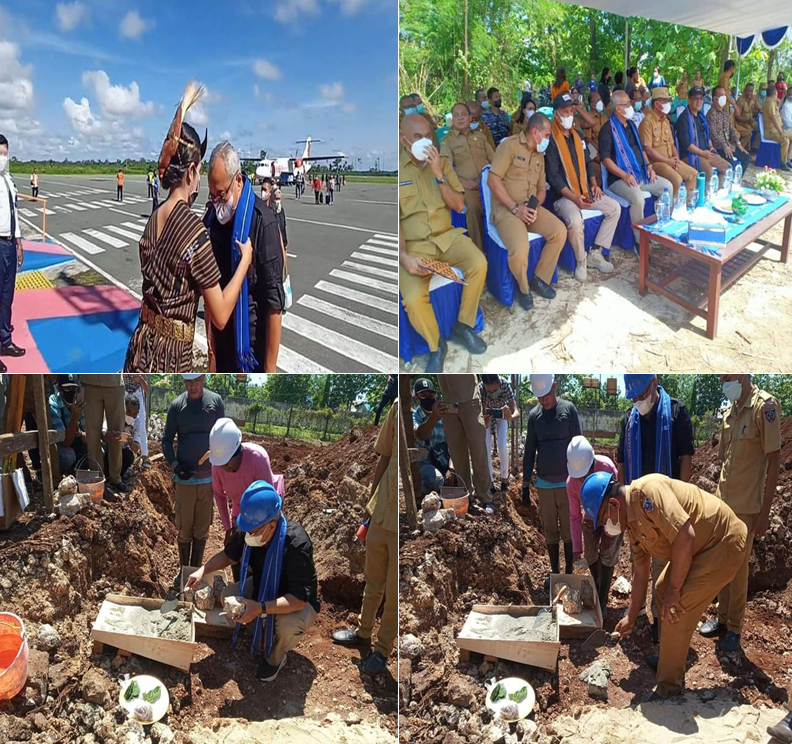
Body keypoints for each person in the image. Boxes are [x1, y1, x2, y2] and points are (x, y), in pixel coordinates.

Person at [581, 471, 747, 699]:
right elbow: (641, 573)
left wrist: (676, 590)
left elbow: (685, 536)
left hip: (721, 542)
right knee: (661, 589)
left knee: (677, 608)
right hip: (698, 548)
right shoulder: (631, 523)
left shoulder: (649, 492)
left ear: (613, 504)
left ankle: (669, 689)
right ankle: (671, 655)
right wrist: (630, 616)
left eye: (603, 520)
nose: (606, 527)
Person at [123, 83, 253, 372]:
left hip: (141, 346)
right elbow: (219, 314)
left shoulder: (155, 216)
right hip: (168, 357)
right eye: (200, 171)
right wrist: (245, 260)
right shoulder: (194, 231)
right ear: (192, 171)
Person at [187, 480, 320, 682]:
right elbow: (229, 556)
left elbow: (299, 599)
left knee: (286, 626)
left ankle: (275, 658)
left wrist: (260, 608)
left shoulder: (296, 545)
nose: (248, 535)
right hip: (262, 586)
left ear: (272, 525)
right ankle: (260, 632)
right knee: (227, 596)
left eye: (253, 531)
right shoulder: (252, 527)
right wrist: (202, 570)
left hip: (295, 601)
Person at [398, 114, 488, 372]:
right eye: (418, 137)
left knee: (478, 263)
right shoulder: (397, 170)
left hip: (447, 237)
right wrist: (404, 257)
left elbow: (459, 205)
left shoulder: (443, 164)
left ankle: (463, 325)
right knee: (414, 298)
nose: (426, 141)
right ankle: (436, 344)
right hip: (415, 246)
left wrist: (439, 175)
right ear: (403, 140)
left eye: (429, 135)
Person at [698, 375, 780, 652]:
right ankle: (721, 619)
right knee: (721, 562)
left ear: (743, 375)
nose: (723, 383)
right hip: (723, 507)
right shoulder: (729, 412)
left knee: (738, 568)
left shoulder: (764, 407)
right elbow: (723, 462)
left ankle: (734, 627)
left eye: (727, 378)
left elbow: (774, 459)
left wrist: (765, 512)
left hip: (746, 508)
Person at [617, 373, 695, 645]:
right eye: (634, 398)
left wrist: (682, 499)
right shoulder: (629, 422)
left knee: (664, 568)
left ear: (654, 382)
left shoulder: (675, 413)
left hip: (667, 508)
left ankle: (662, 620)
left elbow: (686, 457)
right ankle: (637, 610)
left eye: (641, 395)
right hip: (638, 511)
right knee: (640, 564)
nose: (638, 402)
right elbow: (622, 464)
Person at [331, 398, 398, 675]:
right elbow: (384, 455)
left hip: (403, 523)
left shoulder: (432, 414)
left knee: (394, 595)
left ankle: (382, 651)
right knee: (373, 582)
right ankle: (363, 632)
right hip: (382, 511)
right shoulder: (397, 406)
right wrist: (370, 505)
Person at [206, 142, 284, 374]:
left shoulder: (263, 222)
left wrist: (270, 371)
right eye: (212, 197)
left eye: (222, 195)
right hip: (221, 347)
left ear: (238, 181)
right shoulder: (212, 221)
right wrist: (211, 349)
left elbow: (274, 305)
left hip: (250, 353)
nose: (218, 204)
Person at [488, 112, 566, 310]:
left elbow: (541, 189)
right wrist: (516, 209)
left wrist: (534, 207)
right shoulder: (509, 146)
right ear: (535, 132)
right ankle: (523, 289)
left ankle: (539, 279)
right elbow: (493, 180)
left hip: (529, 207)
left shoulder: (540, 155)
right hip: (507, 209)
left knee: (559, 231)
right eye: (547, 135)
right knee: (520, 249)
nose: (548, 139)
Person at [545, 92, 620, 282]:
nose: (569, 114)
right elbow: (553, 177)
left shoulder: (578, 136)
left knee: (614, 208)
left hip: (584, 192)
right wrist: (573, 197)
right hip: (563, 197)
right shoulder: (550, 140)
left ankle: (596, 252)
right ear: (556, 114)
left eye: (571, 110)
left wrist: (594, 185)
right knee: (575, 221)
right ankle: (581, 260)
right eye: (565, 111)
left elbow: (588, 163)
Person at [163, 374, 225, 574]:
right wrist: (175, 466)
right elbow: (166, 441)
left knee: (201, 528)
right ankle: (184, 572)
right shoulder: (177, 406)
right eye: (188, 382)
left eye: (196, 380)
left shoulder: (215, 402)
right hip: (184, 481)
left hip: (208, 481)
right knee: (184, 528)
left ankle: (195, 572)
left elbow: (223, 435)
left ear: (204, 377)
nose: (192, 386)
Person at [523, 374, 581, 585]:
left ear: (554, 387)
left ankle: (568, 571)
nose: (543, 401)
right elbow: (529, 451)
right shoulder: (534, 416)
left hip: (567, 483)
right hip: (545, 484)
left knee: (568, 529)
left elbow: (578, 444)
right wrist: (525, 484)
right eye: (539, 397)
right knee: (551, 530)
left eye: (546, 395)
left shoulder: (568, 410)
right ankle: (555, 571)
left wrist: (580, 479)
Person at [599, 90, 673, 245]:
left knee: (667, 187)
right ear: (618, 108)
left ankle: (661, 229)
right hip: (620, 179)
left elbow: (640, 150)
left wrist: (649, 166)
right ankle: (641, 242)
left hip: (641, 174)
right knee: (638, 198)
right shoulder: (607, 129)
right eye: (627, 104)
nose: (631, 106)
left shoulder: (631, 125)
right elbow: (605, 160)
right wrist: (624, 175)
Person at [209, 417, 276, 581]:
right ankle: (240, 588)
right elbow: (219, 495)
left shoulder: (257, 459)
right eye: (221, 463)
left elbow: (268, 502)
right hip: (240, 511)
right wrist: (228, 528)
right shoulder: (217, 467)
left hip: (264, 512)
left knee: (260, 551)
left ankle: (259, 591)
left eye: (227, 462)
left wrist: (259, 531)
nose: (224, 467)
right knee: (236, 551)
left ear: (237, 450)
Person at [566, 435, 621, 612]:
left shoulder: (607, 467)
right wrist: (576, 549)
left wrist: (609, 533)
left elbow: (617, 504)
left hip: (611, 515)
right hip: (590, 518)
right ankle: (596, 588)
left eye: (585, 475)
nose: (582, 480)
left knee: (608, 554)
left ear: (592, 463)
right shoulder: (571, 483)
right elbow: (574, 516)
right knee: (590, 555)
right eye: (579, 477)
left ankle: (602, 598)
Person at [440, 102, 495, 253]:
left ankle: (498, 246)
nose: (460, 118)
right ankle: (479, 251)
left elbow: (494, 159)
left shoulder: (481, 137)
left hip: (488, 184)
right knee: (473, 208)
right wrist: (464, 182)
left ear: (470, 117)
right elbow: (446, 168)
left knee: (502, 203)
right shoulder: (448, 141)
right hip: (466, 188)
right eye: (456, 115)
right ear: (452, 119)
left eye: (463, 114)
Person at [438, 374, 493, 514]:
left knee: (478, 450)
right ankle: (467, 496)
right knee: (458, 454)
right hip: (448, 402)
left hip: (469, 399)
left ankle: (485, 497)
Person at [639, 87, 697, 205]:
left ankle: (685, 206)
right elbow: (648, 150)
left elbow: (671, 144)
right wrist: (668, 161)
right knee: (677, 179)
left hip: (670, 160)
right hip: (656, 164)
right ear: (657, 104)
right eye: (665, 101)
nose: (669, 104)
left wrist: (676, 159)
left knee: (693, 174)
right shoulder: (647, 122)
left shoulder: (665, 121)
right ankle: (673, 212)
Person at [0, 134, 24, 369]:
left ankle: (5, 340)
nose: (3, 158)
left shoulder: (9, 180)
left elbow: (14, 213)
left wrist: (18, 242)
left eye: (5, 153)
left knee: (7, 298)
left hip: (8, 244)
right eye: (0, 153)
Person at [81, 374, 126, 496]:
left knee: (117, 435)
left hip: (114, 383)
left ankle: (115, 478)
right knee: (92, 436)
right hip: (90, 383)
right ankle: (98, 478)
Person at [479, 374, 518, 493]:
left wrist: (510, 417)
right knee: (486, 447)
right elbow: (478, 411)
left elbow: (516, 411)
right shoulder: (480, 389)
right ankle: (490, 483)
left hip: (502, 416)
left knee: (502, 445)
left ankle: (504, 479)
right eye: (489, 390)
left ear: (499, 383)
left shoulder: (505, 385)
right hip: (487, 416)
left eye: (495, 390)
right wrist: (483, 420)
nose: (492, 393)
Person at [412, 377, 449, 496]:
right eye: (423, 395)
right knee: (435, 481)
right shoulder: (414, 416)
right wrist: (433, 418)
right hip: (425, 463)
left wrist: (452, 469)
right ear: (416, 398)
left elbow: (454, 443)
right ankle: (421, 492)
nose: (428, 398)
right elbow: (420, 435)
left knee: (470, 475)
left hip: (445, 460)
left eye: (431, 394)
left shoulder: (445, 414)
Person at [48, 374, 87, 475]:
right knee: (68, 457)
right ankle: (62, 472)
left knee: (99, 450)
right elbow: (65, 442)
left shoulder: (80, 403)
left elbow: (87, 434)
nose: (71, 391)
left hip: (78, 442)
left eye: (74, 388)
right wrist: (74, 418)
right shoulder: (53, 404)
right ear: (59, 388)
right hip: (62, 446)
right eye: (67, 388)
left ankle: (76, 470)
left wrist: (82, 434)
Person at [707, 86, 751, 173]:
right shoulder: (711, 114)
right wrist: (724, 146)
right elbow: (713, 134)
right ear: (715, 99)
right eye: (721, 96)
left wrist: (738, 144)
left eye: (724, 95)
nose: (724, 98)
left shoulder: (725, 112)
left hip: (728, 146)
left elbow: (731, 129)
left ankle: (737, 180)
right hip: (718, 148)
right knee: (730, 164)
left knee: (746, 157)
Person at [102, 394, 141, 480]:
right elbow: (103, 434)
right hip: (108, 448)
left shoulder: (137, 422)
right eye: (129, 412)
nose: (131, 416)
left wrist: (130, 442)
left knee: (129, 456)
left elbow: (136, 448)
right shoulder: (115, 414)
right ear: (124, 409)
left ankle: (118, 476)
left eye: (134, 414)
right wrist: (111, 436)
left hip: (122, 451)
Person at [123, 373, 150, 469]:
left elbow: (146, 389)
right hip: (124, 392)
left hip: (137, 394)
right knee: (123, 423)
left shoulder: (140, 368)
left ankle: (145, 456)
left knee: (141, 425)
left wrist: (140, 379)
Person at [763, 85, 792, 169]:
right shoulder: (770, 102)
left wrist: (778, 103)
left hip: (777, 129)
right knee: (785, 140)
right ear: (775, 92)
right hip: (771, 131)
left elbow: (776, 111)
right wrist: (781, 132)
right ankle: (783, 162)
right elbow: (773, 118)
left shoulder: (772, 101)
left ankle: (789, 159)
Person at [735, 83, 760, 150]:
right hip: (742, 122)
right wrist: (747, 121)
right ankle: (742, 150)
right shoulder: (740, 100)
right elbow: (737, 117)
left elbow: (759, 108)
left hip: (751, 121)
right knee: (749, 130)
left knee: (760, 128)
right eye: (748, 91)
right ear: (744, 90)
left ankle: (754, 148)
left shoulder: (754, 98)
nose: (750, 93)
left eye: (751, 91)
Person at [583, 90, 607, 159]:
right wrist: (599, 150)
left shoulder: (604, 117)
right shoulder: (588, 118)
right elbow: (588, 139)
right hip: (594, 149)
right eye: (599, 100)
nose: (601, 102)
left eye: (601, 99)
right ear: (592, 105)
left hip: (606, 149)